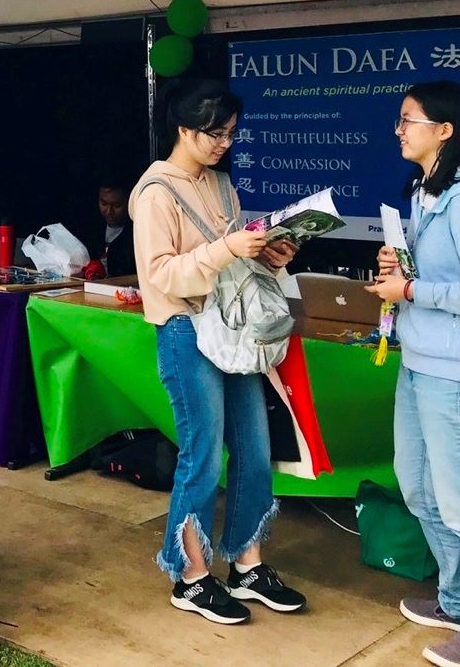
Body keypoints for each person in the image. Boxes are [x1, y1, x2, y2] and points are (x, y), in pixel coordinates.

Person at [130, 78, 305, 626]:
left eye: (230, 134)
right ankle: (191, 574)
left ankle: (247, 563)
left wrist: (269, 254)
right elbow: (159, 274)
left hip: (233, 330)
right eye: (214, 134)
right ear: (183, 129)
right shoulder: (155, 192)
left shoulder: (223, 185)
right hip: (185, 331)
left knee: (254, 448)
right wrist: (228, 246)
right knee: (202, 453)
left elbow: (232, 268)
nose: (224, 144)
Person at [367, 81, 460, 667]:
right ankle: (456, 599)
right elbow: (437, 275)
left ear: (445, 130)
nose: (399, 130)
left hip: (458, 372)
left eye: (409, 120)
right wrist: (398, 267)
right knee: (419, 488)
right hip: (419, 360)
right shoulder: (426, 194)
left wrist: (409, 287)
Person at [94, 177, 136, 277]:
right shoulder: (89, 230)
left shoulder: (136, 235)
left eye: (117, 205)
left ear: (128, 202)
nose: (109, 211)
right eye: (104, 204)